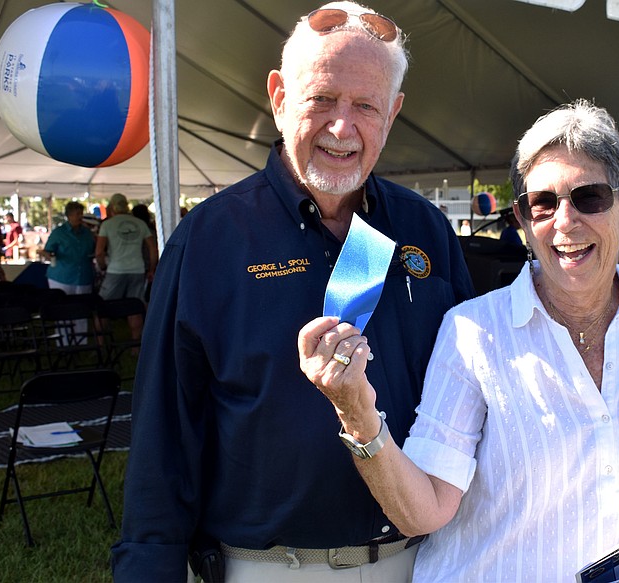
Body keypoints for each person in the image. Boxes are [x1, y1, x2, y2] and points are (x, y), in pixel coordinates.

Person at [110, 2, 474, 581]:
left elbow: (470, 400)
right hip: (267, 567)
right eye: (322, 99)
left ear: (394, 112)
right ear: (279, 97)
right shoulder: (209, 241)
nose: (341, 128)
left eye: (365, 106)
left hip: (418, 561)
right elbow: (165, 433)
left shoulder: (425, 231)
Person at [299, 100, 619, 583]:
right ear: (522, 220)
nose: (564, 221)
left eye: (590, 197)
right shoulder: (473, 332)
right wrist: (356, 412)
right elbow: (424, 510)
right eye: (543, 203)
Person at [95, 193, 157, 342]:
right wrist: (151, 269)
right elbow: (153, 249)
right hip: (137, 269)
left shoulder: (107, 224)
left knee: (102, 307)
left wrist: (102, 266)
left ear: (112, 207)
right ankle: (136, 345)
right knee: (135, 307)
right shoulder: (139, 223)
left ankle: (101, 344)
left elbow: (99, 252)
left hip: (115, 270)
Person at [39, 201, 97, 340]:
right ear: (69, 215)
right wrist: (48, 254)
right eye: (77, 214)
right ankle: (64, 342)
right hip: (62, 276)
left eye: (81, 213)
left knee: (81, 309)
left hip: (83, 276)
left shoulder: (87, 233)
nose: (80, 217)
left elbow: (93, 249)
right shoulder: (58, 233)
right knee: (63, 310)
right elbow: (47, 251)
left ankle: (80, 341)